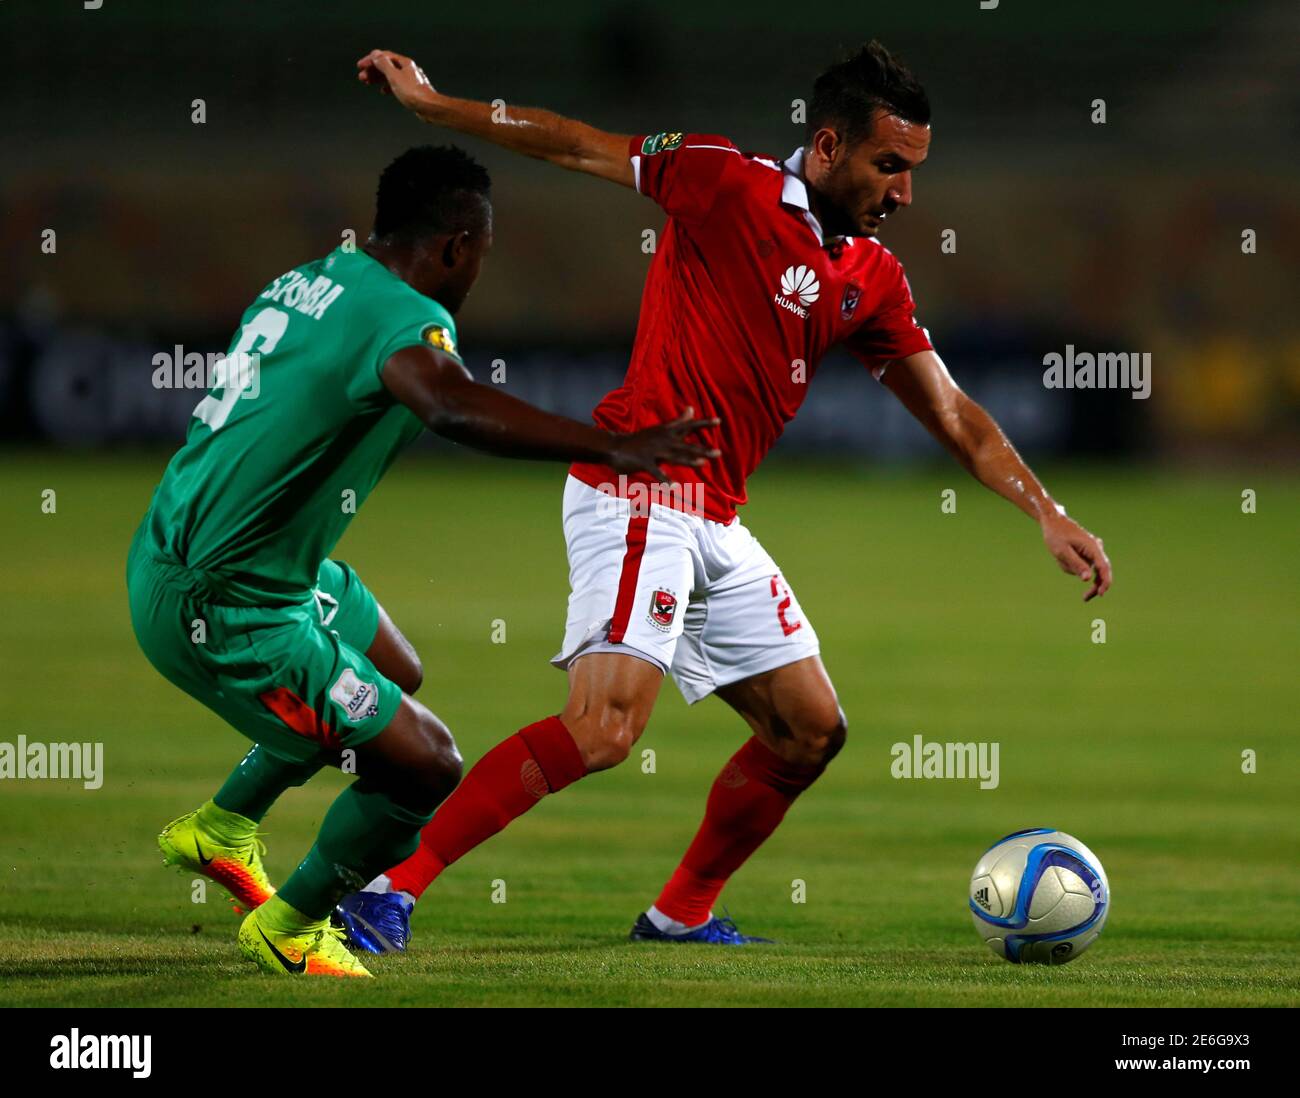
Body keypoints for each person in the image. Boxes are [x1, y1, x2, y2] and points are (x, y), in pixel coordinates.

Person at [336, 41, 1113, 952]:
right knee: (604, 729)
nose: (905, 193)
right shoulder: (720, 178)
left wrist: (1046, 511)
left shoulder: (871, 277)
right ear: (827, 147)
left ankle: (680, 913)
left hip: (715, 516)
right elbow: (575, 143)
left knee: (810, 731)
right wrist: (435, 106)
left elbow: (954, 414)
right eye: (889, 166)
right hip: (636, 490)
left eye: (913, 171)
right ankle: (391, 889)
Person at [127, 144, 717, 976]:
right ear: (455, 247)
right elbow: (444, 401)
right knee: (426, 765)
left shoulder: (315, 277)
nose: (478, 270)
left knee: (393, 667)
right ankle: (292, 925)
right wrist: (609, 447)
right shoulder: (402, 316)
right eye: (480, 253)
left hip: (209, 555)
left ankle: (222, 828)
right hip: (226, 604)